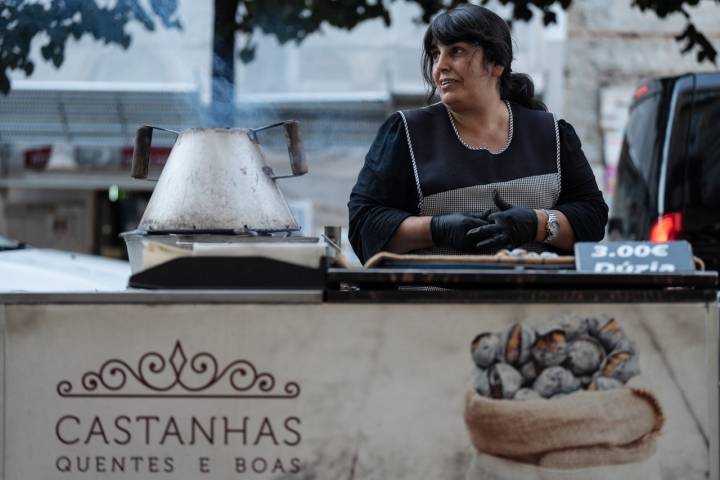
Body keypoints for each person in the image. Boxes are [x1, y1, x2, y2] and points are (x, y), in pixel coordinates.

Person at [348, 4, 608, 264]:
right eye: (436, 55)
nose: (440, 67)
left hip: (533, 300)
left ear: (497, 64)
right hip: (433, 300)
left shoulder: (551, 134)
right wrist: (436, 229)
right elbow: (364, 226)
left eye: (456, 51)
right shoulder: (405, 133)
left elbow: (592, 219)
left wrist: (537, 224)